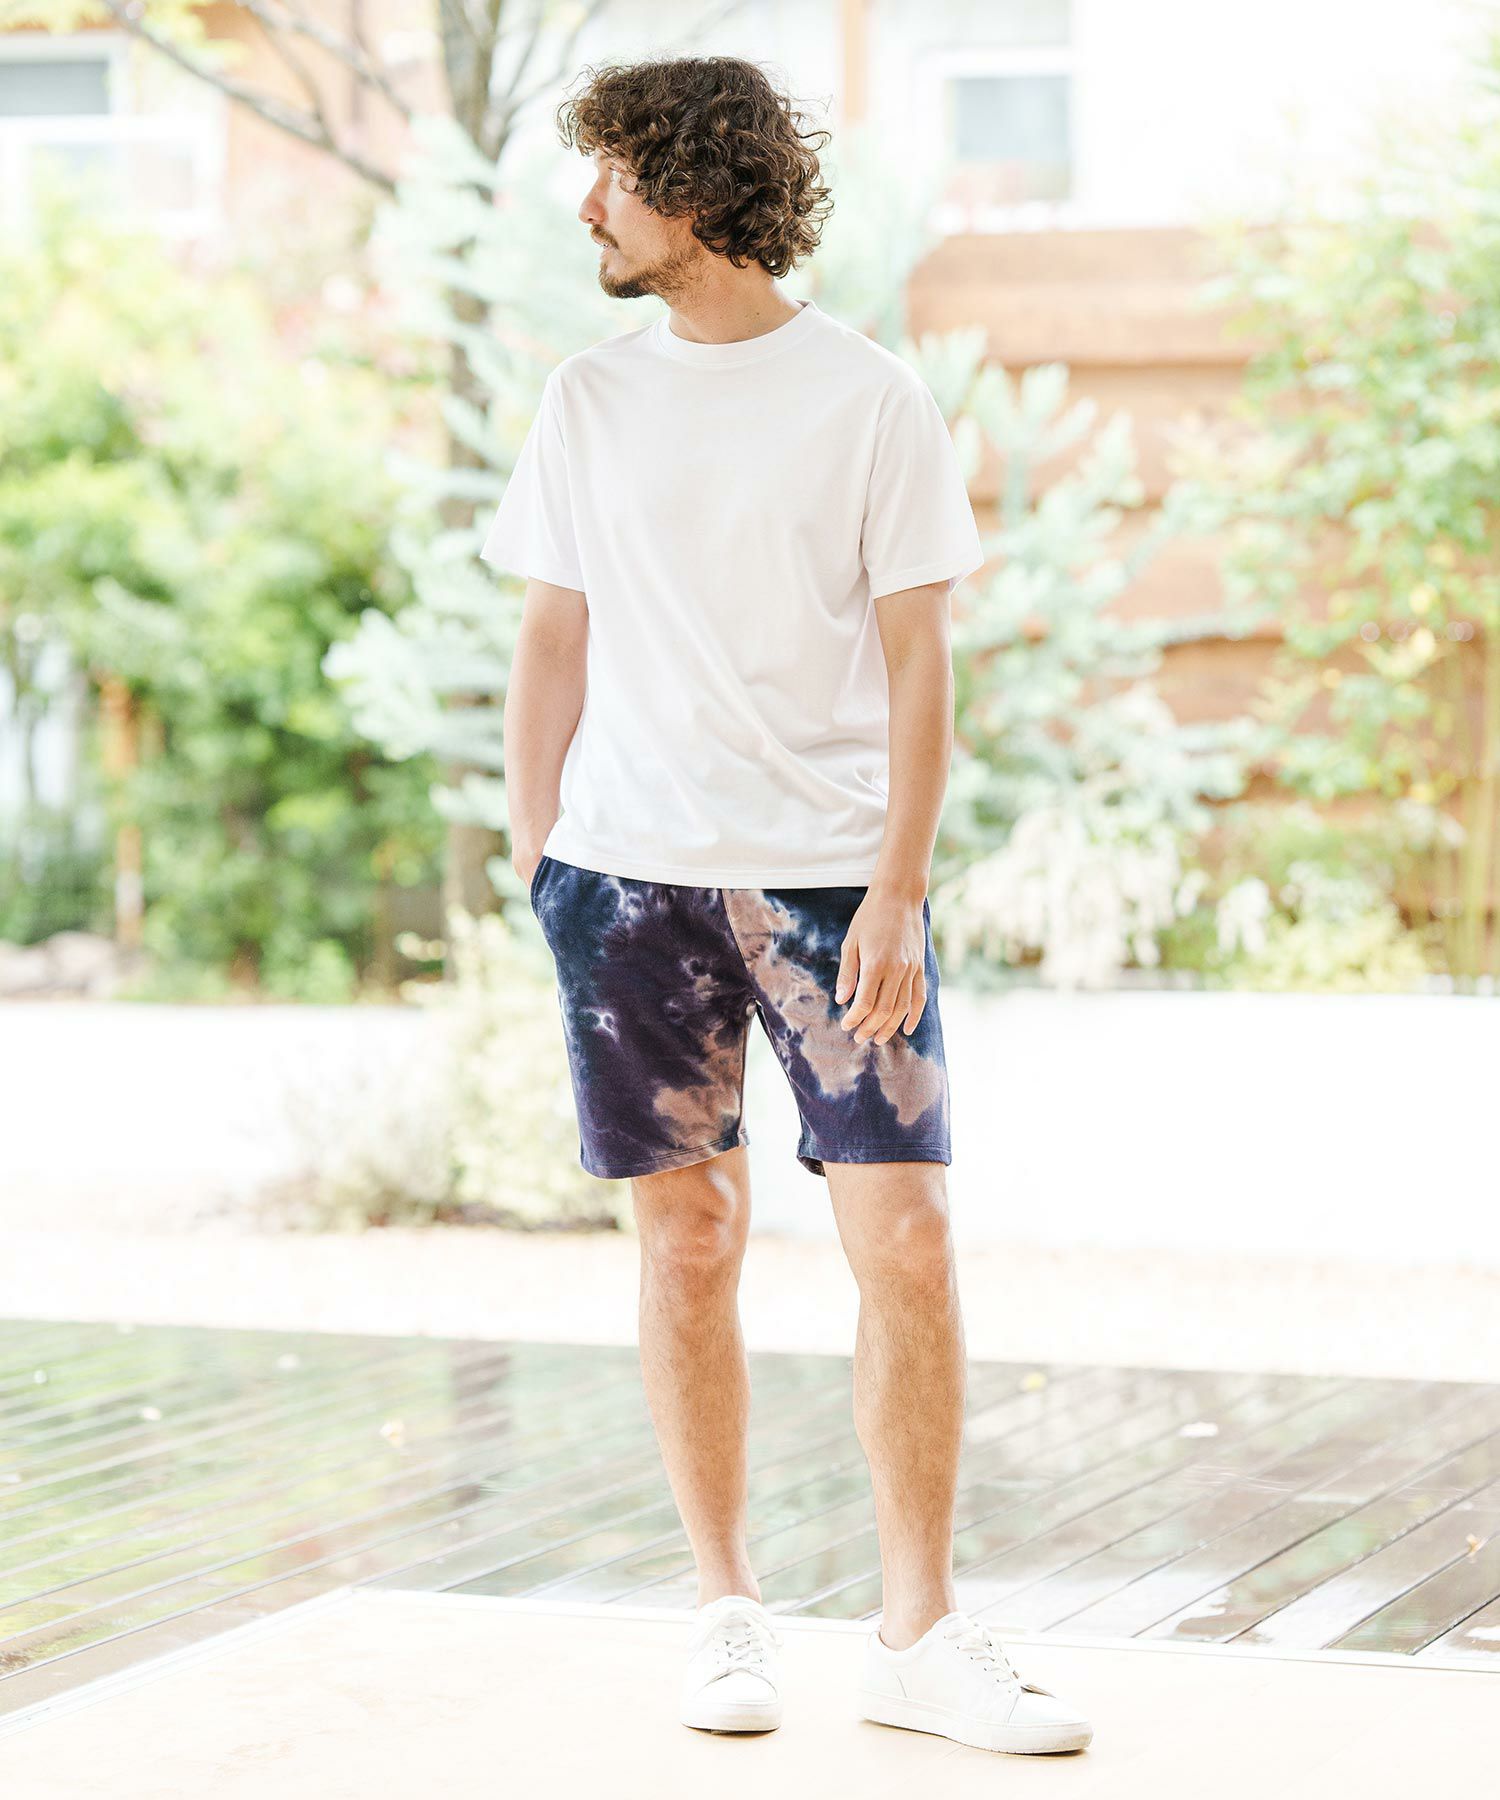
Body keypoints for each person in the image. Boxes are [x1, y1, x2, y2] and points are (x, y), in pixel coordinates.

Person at [482, 53, 1093, 1759]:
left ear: (694, 186)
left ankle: (918, 1635)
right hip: (627, 886)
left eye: (612, 176)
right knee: (687, 1239)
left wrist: (900, 882)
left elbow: (920, 660)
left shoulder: (868, 398)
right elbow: (551, 637)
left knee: (907, 1239)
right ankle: (725, 1610)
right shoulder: (588, 400)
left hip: (832, 887)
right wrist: (544, 858)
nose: (588, 207)